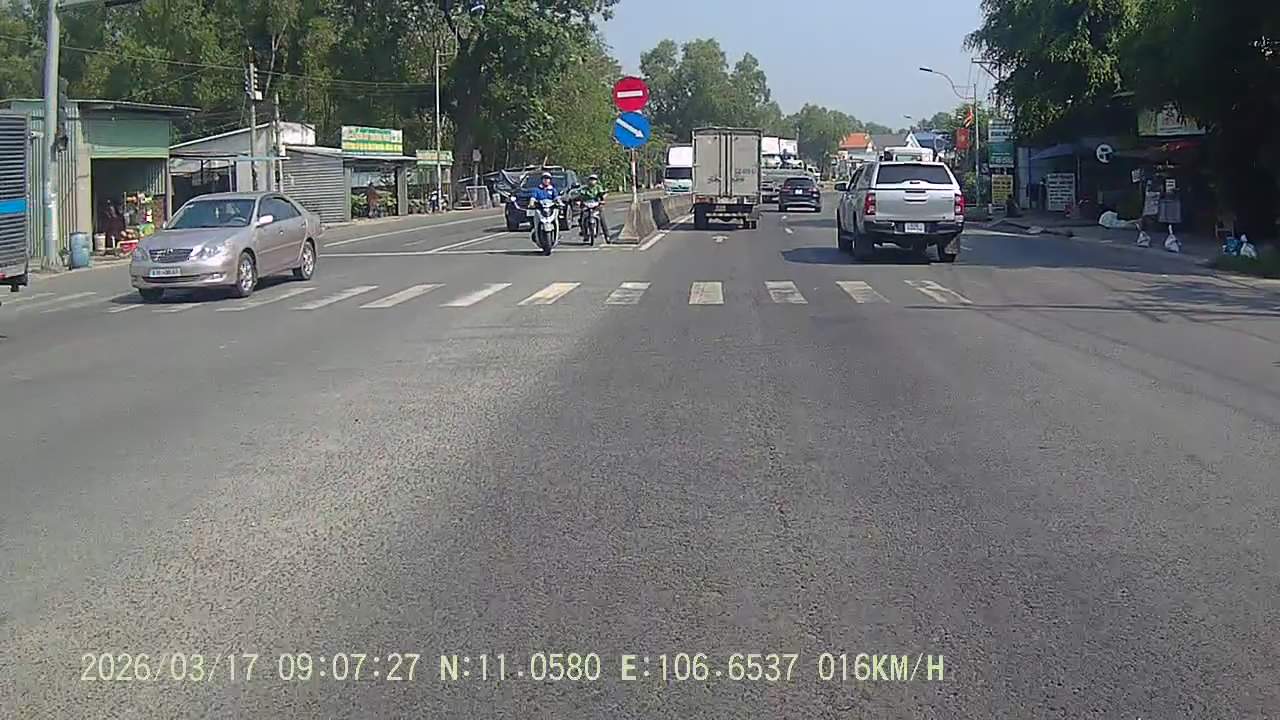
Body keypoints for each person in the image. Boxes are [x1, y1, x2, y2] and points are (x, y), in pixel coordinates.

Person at [571, 174, 608, 241]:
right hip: (586, 206)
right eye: (591, 179)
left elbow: (602, 194)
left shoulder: (598, 188)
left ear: (596, 181)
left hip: (596, 206)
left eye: (594, 180)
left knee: (602, 219)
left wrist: (602, 200)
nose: (592, 181)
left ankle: (607, 236)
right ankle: (584, 233)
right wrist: (578, 201)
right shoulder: (584, 188)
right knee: (581, 218)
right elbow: (579, 195)